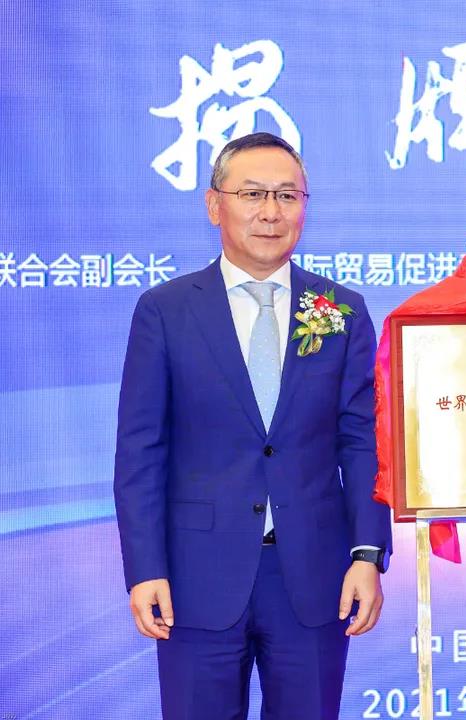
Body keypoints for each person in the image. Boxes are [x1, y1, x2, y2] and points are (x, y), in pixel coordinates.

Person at [114, 132, 390, 719]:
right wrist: (145, 569)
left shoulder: (341, 310)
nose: (271, 212)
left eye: (288, 196)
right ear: (214, 205)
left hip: (314, 579)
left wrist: (367, 554)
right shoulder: (165, 310)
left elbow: (362, 443)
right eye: (253, 194)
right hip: (195, 579)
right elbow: (140, 452)